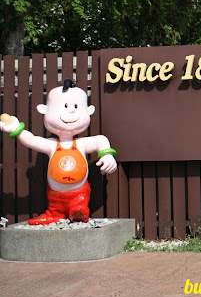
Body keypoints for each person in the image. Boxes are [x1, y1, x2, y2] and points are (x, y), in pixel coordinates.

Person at [0, 79, 117, 225]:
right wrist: (17, 130)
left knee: (79, 204)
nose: (71, 111)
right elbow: (32, 140)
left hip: (79, 193)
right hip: (55, 194)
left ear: (89, 111)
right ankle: (55, 214)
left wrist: (107, 154)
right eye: (65, 106)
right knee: (55, 207)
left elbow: (100, 140)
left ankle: (78, 210)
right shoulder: (51, 145)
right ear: (44, 110)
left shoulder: (81, 144)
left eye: (75, 106)